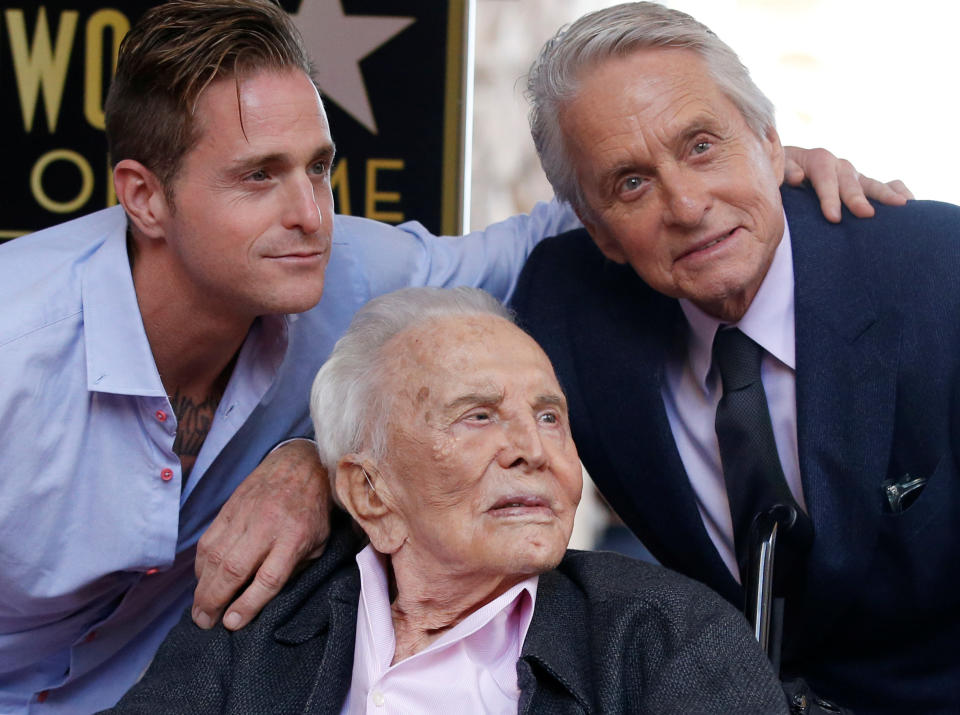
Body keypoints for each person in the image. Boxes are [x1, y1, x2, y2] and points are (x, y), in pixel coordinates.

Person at [0, 0, 904, 712]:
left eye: (317, 166)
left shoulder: (353, 266)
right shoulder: (16, 342)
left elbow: (586, 216)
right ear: (144, 198)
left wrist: (757, 165)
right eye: (257, 177)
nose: (310, 214)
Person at [511, 1, 960, 715]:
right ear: (597, 232)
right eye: (631, 182)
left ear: (772, 143)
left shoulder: (941, 271)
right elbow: (409, 390)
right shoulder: (562, 305)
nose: (687, 205)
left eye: (701, 145)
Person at [109, 286, 789, 714]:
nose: (533, 448)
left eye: (550, 416)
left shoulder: (664, 638)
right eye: (478, 416)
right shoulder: (264, 619)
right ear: (371, 494)